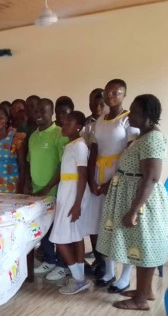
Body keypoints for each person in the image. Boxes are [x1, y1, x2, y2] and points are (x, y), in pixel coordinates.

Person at [97, 94, 168, 310]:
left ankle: (139, 301)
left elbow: (151, 178)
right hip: (132, 194)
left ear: (148, 115)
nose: (130, 116)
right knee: (139, 245)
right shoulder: (143, 136)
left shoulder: (152, 139)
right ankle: (145, 291)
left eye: (135, 112)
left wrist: (134, 210)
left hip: (143, 202)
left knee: (144, 247)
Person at [86, 79, 139, 290]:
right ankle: (108, 271)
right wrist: (92, 179)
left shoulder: (128, 120)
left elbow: (130, 152)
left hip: (120, 177)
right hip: (99, 176)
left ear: (124, 95)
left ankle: (125, 276)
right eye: (108, 92)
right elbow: (94, 151)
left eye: (116, 92)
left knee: (120, 226)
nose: (111, 96)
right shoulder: (99, 120)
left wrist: (112, 181)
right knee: (103, 225)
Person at [27, 98, 70, 280]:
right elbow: (30, 162)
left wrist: (47, 188)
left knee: (58, 230)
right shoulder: (33, 136)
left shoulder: (58, 134)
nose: (39, 115)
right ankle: (50, 260)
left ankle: (63, 265)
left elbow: (63, 165)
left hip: (54, 191)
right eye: (36, 111)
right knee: (43, 228)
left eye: (43, 111)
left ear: (51, 113)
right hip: (37, 192)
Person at [49, 111, 91, 294]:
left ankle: (79, 278)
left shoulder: (80, 146)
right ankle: (79, 278)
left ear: (78, 127)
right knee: (75, 235)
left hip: (73, 195)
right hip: (66, 192)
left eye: (68, 124)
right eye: (63, 122)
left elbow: (83, 176)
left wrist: (77, 204)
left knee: (59, 238)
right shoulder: (71, 145)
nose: (63, 126)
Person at [83, 88, 106, 274]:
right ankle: (98, 259)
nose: (97, 107)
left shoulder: (111, 122)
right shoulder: (86, 124)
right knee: (92, 220)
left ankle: (106, 263)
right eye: (94, 102)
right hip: (90, 174)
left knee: (105, 221)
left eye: (101, 103)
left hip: (107, 174)